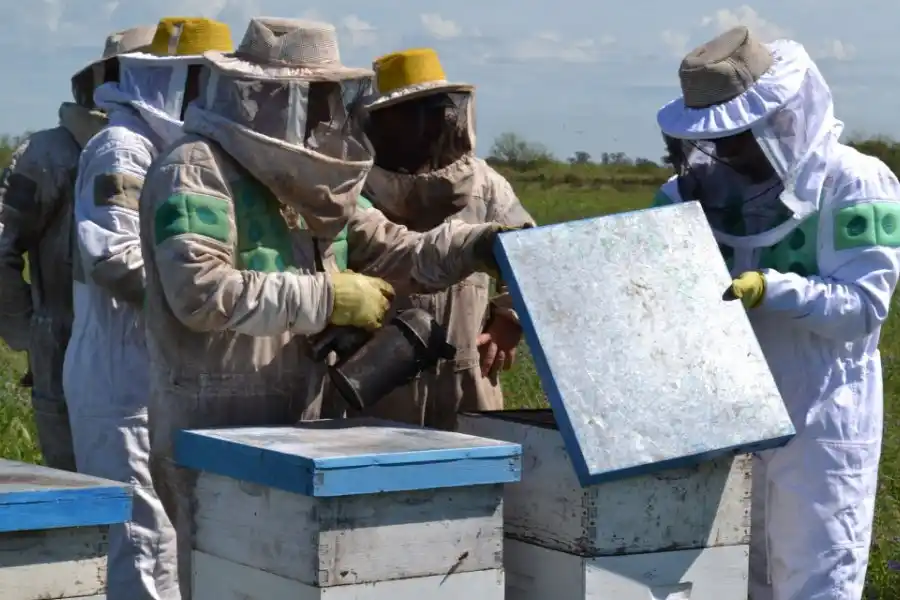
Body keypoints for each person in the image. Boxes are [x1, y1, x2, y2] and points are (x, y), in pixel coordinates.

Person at [136, 18, 522, 600]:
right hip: (212, 422)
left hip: (306, 423)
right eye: (316, 97)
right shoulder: (194, 171)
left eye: (332, 98)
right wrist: (329, 297)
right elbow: (199, 291)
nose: (328, 114)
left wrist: (476, 244)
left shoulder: (315, 188)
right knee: (230, 581)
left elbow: (400, 251)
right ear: (273, 96)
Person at [653, 26, 899, 600]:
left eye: (740, 134)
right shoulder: (688, 193)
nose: (729, 150)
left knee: (817, 582)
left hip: (821, 420)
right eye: (718, 139)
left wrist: (774, 290)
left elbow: (863, 308)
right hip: (725, 416)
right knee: (729, 579)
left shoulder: (854, 181)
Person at [64, 17, 234, 600]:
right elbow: (112, 257)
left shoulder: (178, 152)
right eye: (205, 83)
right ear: (171, 80)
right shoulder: (122, 145)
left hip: (162, 375)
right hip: (123, 379)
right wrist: (204, 297)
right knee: (142, 551)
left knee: (175, 547)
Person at [0, 25, 157, 471]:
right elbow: (2, 247)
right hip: (67, 346)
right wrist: (27, 332)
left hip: (148, 355)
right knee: (76, 496)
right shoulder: (48, 153)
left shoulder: (164, 148)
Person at [357, 47, 535, 430]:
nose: (420, 125)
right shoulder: (355, 189)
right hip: (378, 379)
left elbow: (532, 254)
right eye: (406, 115)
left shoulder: (485, 185)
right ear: (381, 122)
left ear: (447, 113)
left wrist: (510, 318)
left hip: (468, 372)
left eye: (430, 111)